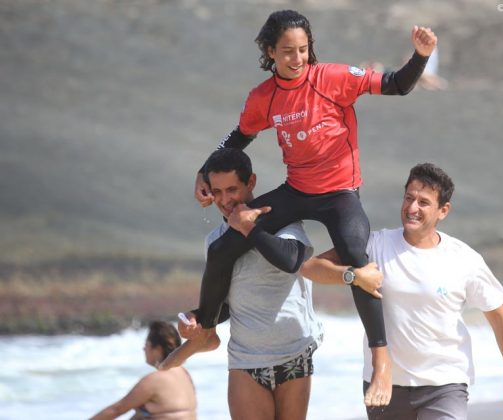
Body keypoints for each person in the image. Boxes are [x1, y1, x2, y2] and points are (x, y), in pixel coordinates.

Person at [164, 9, 437, 406]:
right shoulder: (264, 97)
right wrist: (204, 172)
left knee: (358, 259)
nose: (297, 58)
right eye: (288, 51)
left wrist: (421, 56)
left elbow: (397, 85)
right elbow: (237, 139)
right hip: (297, 189)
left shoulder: (333, 78)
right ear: (270, 52)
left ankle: (382, 360)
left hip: (341, 194)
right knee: (224, 245)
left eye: (303, 50)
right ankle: (205, 329)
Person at [301, 163, 503, 419]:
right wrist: (352, 275)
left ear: (443, 210)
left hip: (445, 384)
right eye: (409, 198)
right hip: (384, 384)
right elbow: (311, 267)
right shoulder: (375, 244)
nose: (412, 208)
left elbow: (499, 316)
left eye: (423, 202)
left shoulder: (464, 259)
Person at [168, 148, 381, 419]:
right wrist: (196, 317)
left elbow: (291, 260)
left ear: (251, 183)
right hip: (246, 358)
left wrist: (249, 228)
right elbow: (228, 305)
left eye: (232, 189)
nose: (225, 200)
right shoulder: (215, 241)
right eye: (217, 192)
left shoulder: (283, 223)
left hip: (293, 352)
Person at [90, 321, 197, 420]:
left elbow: (117, 409)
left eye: (147, 344)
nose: (144, 349)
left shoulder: (156, 379)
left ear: (158, 349)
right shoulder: (184, 374)